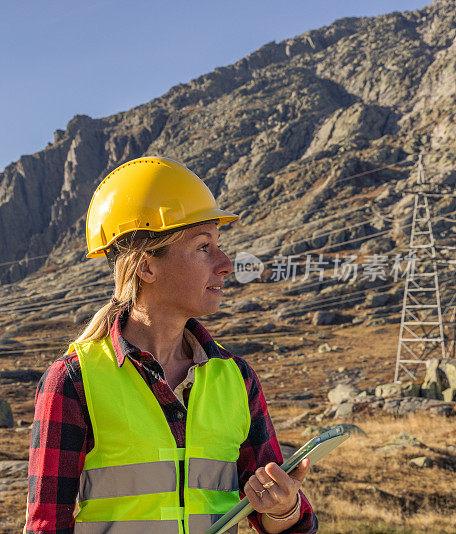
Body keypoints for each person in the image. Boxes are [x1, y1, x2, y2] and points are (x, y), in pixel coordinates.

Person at [25, 157, 317, 533]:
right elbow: (46, 526)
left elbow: (281, 522)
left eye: (219, 246)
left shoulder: (236, 379)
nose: (226, 263)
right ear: (146, 267)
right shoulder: (73, 381)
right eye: (203, 247)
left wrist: (283, 507)